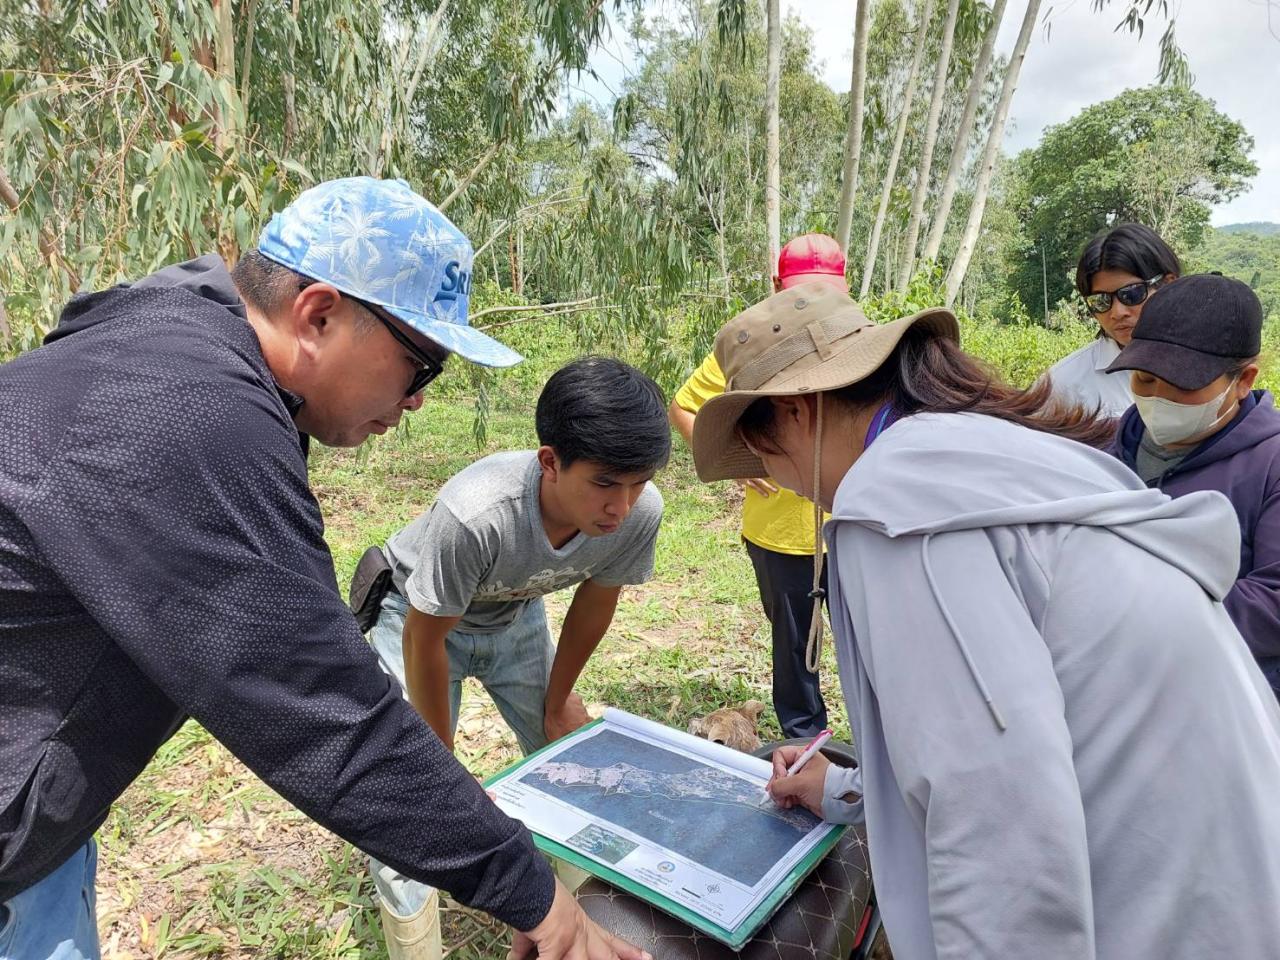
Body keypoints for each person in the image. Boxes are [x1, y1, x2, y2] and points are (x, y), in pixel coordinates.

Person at [0, 177, 648, 960]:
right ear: (318, 314)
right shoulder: (194, 413)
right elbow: (320, 705)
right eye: (421, 366)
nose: (418, 400)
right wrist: (531, 891)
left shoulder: (166, 345)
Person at [689, 281, 1280, 959]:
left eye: (763, 454)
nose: (781, 481)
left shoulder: (896, 511)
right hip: (1232, 869)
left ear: (796, 413)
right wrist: (849, 789)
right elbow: (1021, 714)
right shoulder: (985, 457)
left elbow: (997, 819)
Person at [668, 233, 845, 738]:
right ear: (776, 286)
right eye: (799, 291)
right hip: (778, 534)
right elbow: (684, 406)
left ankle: (883, 746)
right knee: (793, 647)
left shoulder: (860, 340)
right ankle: (804, 743)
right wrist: (736, 460)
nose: (810, 302)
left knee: (872, 641)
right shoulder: (751, 345)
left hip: (853, 525)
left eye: (823, 291)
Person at [1105, 274, 1280, 695]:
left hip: (1227, 699)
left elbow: (1273, 600)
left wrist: (1140, 617)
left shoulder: (1270, 463)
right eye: (1145, 378)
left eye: (1183, 384)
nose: (1159, 398)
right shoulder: (1108, 448)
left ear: (1243, 381)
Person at [1044, 222, 1181, 417]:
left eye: (1131, 294)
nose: (1117, 312)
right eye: (1101, 300)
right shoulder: (1062, 386)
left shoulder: (1215, 366)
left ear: (1169, 285)